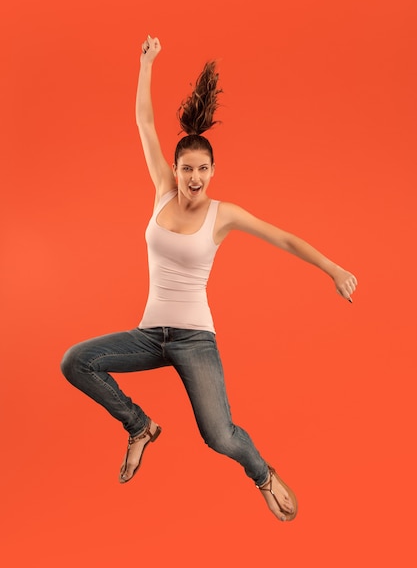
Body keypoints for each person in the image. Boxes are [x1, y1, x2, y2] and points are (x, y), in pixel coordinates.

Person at [61, 35, 357, 523]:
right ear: (174, 171)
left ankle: (262, 474)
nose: (193, 178)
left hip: (196, 340)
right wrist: (147, 64)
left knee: (219, 435)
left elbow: (283, 238)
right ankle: (139, 426)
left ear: (213, 170)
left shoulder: (224, 214)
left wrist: (334, 269)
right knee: (76, 362)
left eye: (202, 169)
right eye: (185, 169)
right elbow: (144, 122)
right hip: (149, 335)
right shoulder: (161, 191)